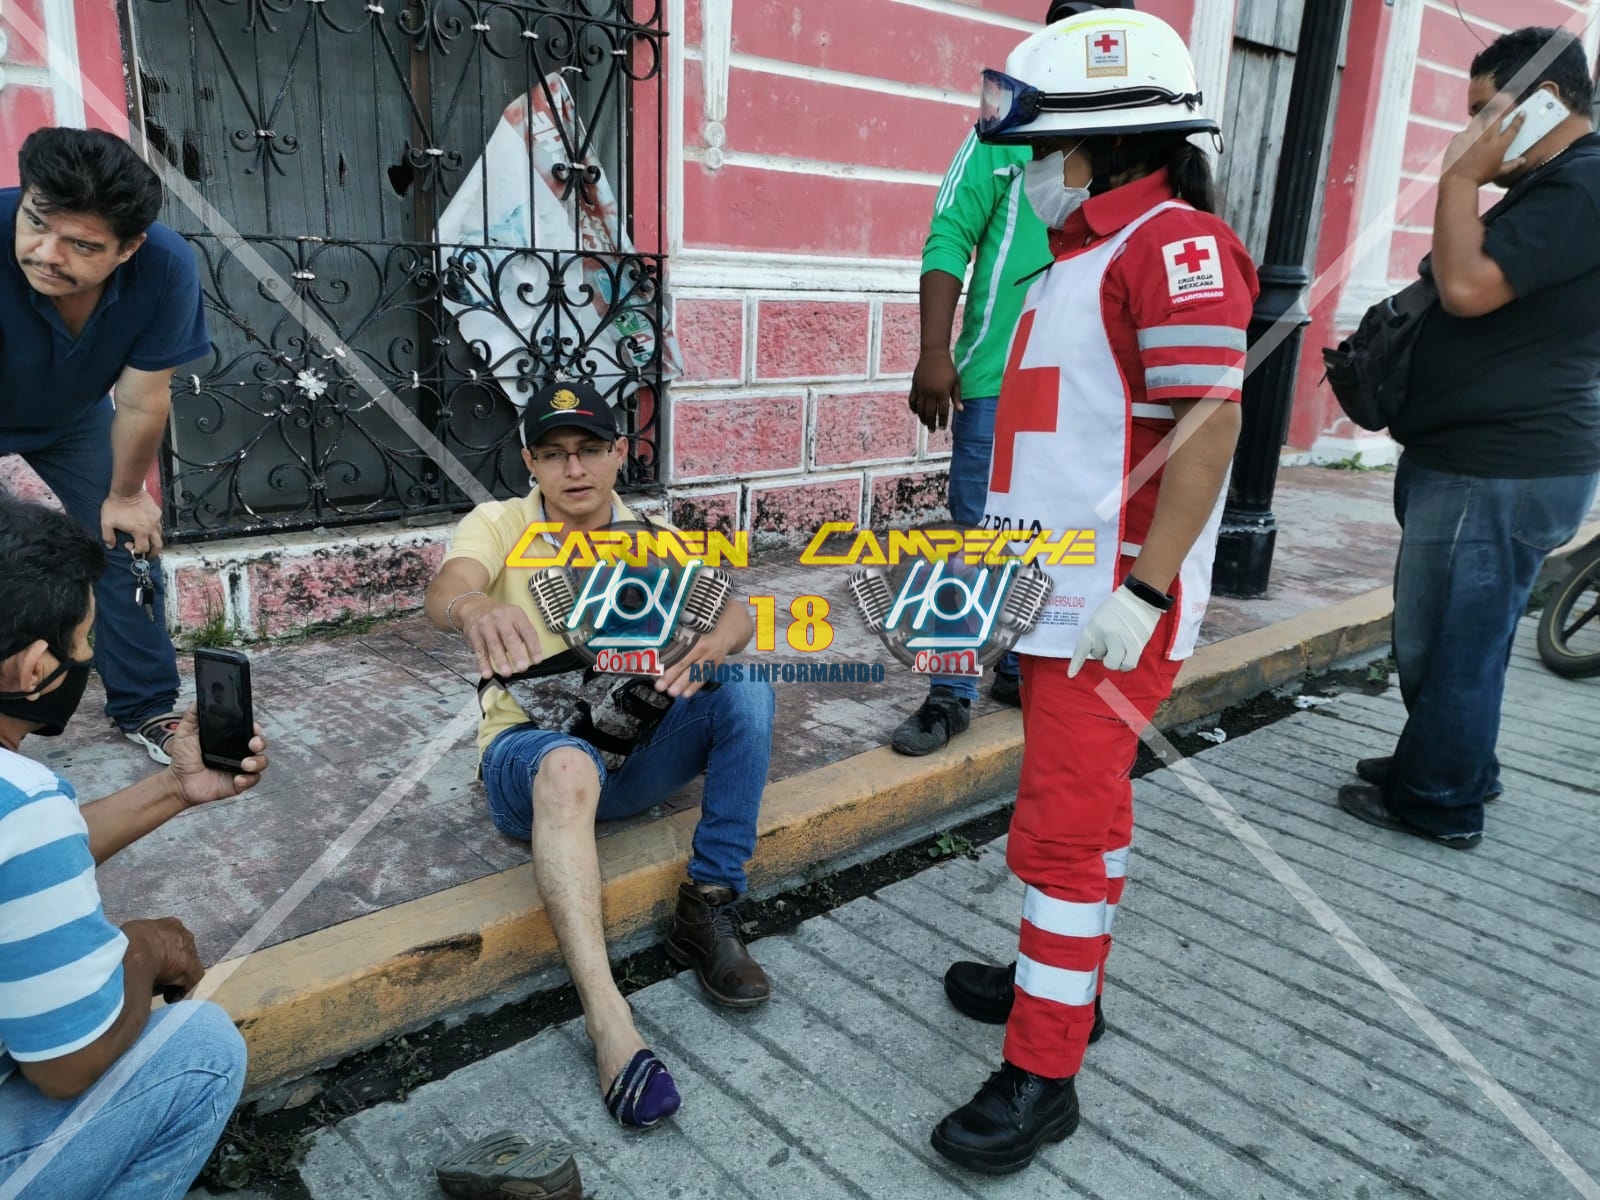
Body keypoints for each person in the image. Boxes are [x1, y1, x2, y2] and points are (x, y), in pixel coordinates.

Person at [926, 10, 1257, 1175]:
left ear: (1106, 145)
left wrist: (1146, 595)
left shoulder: (1174, 246)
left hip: (1105, 614)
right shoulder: (1081, 256)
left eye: (1043, 150)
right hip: (1057, 603)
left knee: (1061, 836)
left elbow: (1209, 426)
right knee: (1091, 818)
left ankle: (1043, 1071)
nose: (1030, 172)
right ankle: (1060, 984)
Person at [423, 379, 775, 1130]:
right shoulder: (501, 522)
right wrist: (473, 607)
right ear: (530, 462)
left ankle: (709, 906)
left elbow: (735, 608)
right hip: (532, 762)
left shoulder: (655, 535)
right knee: (567, 764)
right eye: (553, 454)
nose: (573, 469)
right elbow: (450, 584)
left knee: (746, 684)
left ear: (619, 453)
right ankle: (608, 1017)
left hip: (631, 753)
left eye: (588, 449)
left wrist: (717, 641)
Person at [1338, 29, 1600, 849]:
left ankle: (1440, 799)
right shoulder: (1561, 183)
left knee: (1452, 640)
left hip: (1500, 465)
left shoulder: (1582, 185)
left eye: (1487, 110)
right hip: (1489, 460)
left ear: (1545, 102)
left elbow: (1466, 287)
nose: (1473, 130)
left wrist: (1457, 176)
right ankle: (1451, 760)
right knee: (1457, 635)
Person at [0, 496, 269, 1198]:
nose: (89, 656)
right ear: (33, 669)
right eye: (84, 639)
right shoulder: (22, 801)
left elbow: (25, 858)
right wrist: (144, 952)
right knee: (201, 1047)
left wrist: (177, 788)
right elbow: (66, 1068)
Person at [895, 0, 1135, 756]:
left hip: (1091, 389)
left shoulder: (1134, 140)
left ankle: (1019, 666)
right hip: (1001, 382)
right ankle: (948, 693)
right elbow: (950, 233)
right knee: (978, 540)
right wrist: (936, 351)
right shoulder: (1000, 132)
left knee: (1059, 539)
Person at [0, 128, 212, 764]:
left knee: (124, 539)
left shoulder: (165, 266)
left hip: (70, 417)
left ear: (129, 247)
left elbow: (143, 400)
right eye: (36, 223)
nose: (47, 254)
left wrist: (125, 494)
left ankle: (146, 706)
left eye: (83, 245)